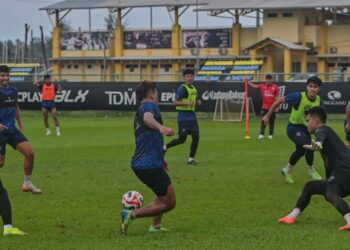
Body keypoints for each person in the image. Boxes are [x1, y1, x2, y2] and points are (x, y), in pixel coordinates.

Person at [278, 106, 350, 231]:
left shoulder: (322, 129)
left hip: (344, 170)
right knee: (310, 187)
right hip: (343, 172)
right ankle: (291, 216)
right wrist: (329, 180)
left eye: (308, 120)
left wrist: (319, 142)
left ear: (316, 120)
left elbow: (320, 135)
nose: (306, 124)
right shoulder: (327, 132)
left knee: (331, 194)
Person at [120, 81, 176, 235]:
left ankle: (155, 226)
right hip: (148, 164)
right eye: (156, 92)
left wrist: (161, 159)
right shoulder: (149, 106)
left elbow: (147, 138)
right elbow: (147, 118)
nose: (157, 95)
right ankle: (131, 214)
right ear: (151, 95)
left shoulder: (140, 108)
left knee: (161, 195)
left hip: (146, 163)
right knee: (170, 202)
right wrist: (161, 127)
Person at [262, 76, 323, 183]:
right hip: (293, 128)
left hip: (306, 129)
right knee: (309, 144)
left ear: (319, 89)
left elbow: (320, 120)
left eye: (315, 87)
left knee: (300, 151)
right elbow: (279, 101)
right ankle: (311, 170)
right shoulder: (298, 96)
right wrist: (267, 116)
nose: (313, 89)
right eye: (311, 86)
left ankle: (287, 170)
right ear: (307, 87)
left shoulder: (320, 102)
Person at [0, 65, 42, 194]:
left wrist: (21, 125)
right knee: (0, 163)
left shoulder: (14, 90)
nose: (5, 78)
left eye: (7, 75)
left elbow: (16, 107)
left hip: (12, 130)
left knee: (30, 153)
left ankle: (27, 183)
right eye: (2, 75)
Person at [164, 69, 201, 165]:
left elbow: (193, 101)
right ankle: (164, 147)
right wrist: (187, 103)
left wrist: (197, 102)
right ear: (184, 78)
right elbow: (175, 102)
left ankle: (191, 159)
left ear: (194, 77)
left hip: (192, 117)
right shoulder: (182, 88)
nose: (190, 78)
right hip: (183, 118)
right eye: (187, 76)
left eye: (191, 76)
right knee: (182, 139)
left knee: (196, 137)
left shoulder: (193, 88)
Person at [248, 74, 280, 139]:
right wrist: (248, 82)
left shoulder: (275, 87)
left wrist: (277, 107)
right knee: (264, 120)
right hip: (265, 107)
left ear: (271, 80)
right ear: (265, 80)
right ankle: (261, 134)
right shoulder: (262, 86)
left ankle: (270, 134)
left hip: (272, 107)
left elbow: (278, 98)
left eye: (269, 79)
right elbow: (254, 86)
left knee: (272, 121)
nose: (268, 80)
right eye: (267, 79)